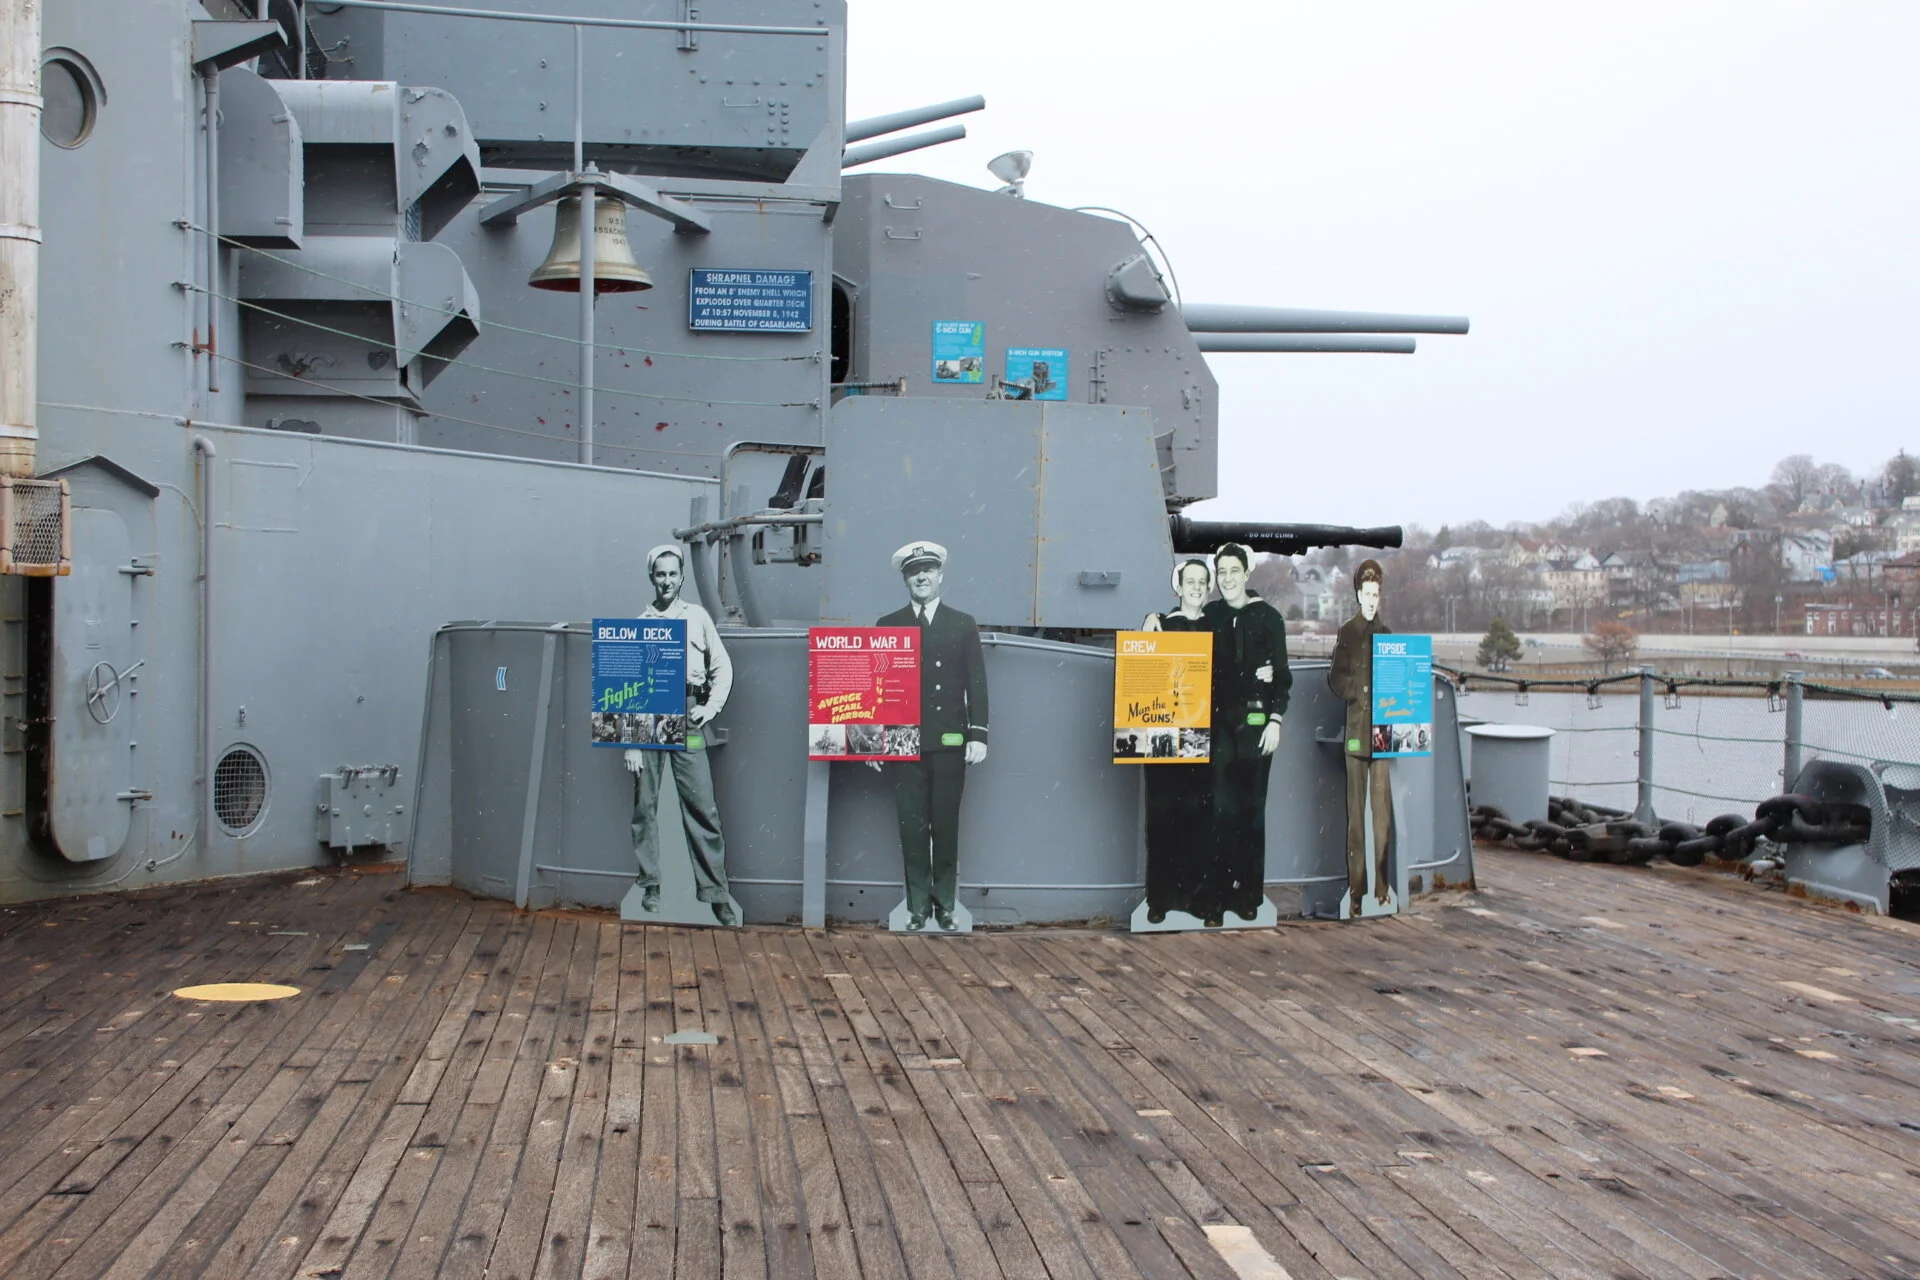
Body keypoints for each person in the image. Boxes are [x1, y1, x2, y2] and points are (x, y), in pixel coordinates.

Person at [874, 540, 988, 931]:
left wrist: (978, 735)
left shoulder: (962, 623)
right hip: (903, 740)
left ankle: (946, 907)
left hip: (950, 741)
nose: (921, 576)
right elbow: (877, 685)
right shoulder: (888, 626)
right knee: (911, 825)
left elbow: (977, 682)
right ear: (905, 578)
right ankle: (917, 907)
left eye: (927, 570)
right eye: (912, 571)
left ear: (940, 575)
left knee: (945, 823)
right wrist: (873, 738)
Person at [628, 545, 737, 926]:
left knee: (702, 807)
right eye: (661, 574)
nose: (667, 581)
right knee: (646, 806)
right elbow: (628, 684)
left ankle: (716, 893)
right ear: (651, 577)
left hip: (689, 717)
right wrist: (632, 742)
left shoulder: (698, 617)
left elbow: (722, 666)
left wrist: (710, 708)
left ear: (682, 577)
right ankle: (651, 885)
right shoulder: (639, 623)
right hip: (651, 719)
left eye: (673, 574)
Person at [1195, 543, 1289, 925]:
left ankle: (1248, 897)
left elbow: (1282, 676)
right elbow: (1178, 627)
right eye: (1222, 572)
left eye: (1234, 571)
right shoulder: (1210, 615)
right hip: (1218, 726)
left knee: (1251, 812)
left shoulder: (1268, 618)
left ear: (1246, 573)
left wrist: (1276, 720)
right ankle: (1217, 898)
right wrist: (1154, 618)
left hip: (1254, 727)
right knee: (1219, 811)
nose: (1228, 578)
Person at [1138, 557, 1217, 923]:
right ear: (1179, 585)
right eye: (1191, 581)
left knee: (1197, 817)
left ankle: (1195, 895)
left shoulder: (1217, 627)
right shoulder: (1161, 626)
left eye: (1203, 581)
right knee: (1162, 817)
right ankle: (1160, 898)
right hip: (1165, 734)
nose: (1197, 587)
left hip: (1202, 735)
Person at [1328, 558, 1392, 914]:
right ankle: (1357, 891)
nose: (1371, 600)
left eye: (1376, 594)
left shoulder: (1387, 636)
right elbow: (1336, 679)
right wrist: (1361, 692)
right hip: (1356, 733)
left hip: (1381, 735)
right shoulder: (1348, 633)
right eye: (1367, 594)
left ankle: (1382, 887)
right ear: (1358, 594)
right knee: (1357, 817)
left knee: (1382, 815)